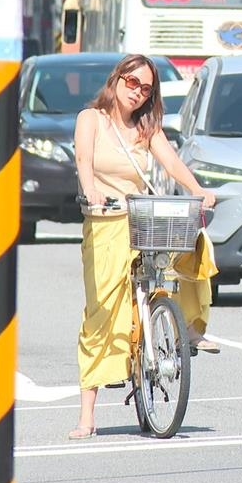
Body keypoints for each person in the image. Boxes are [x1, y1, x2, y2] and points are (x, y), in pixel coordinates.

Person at [70, 54, 218, 441]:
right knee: (101, 312)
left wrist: (198, 191)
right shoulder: (91, 119)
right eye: (131, 83)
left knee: (191, 243)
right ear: (116, 80)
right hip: (105, 220)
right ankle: (87, 416)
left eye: (146, 89)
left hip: (141, 218)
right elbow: (84, 159)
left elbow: (170, 163)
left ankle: (185, 324)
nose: (137, 93)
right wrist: (92, 191)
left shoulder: (146, 127)